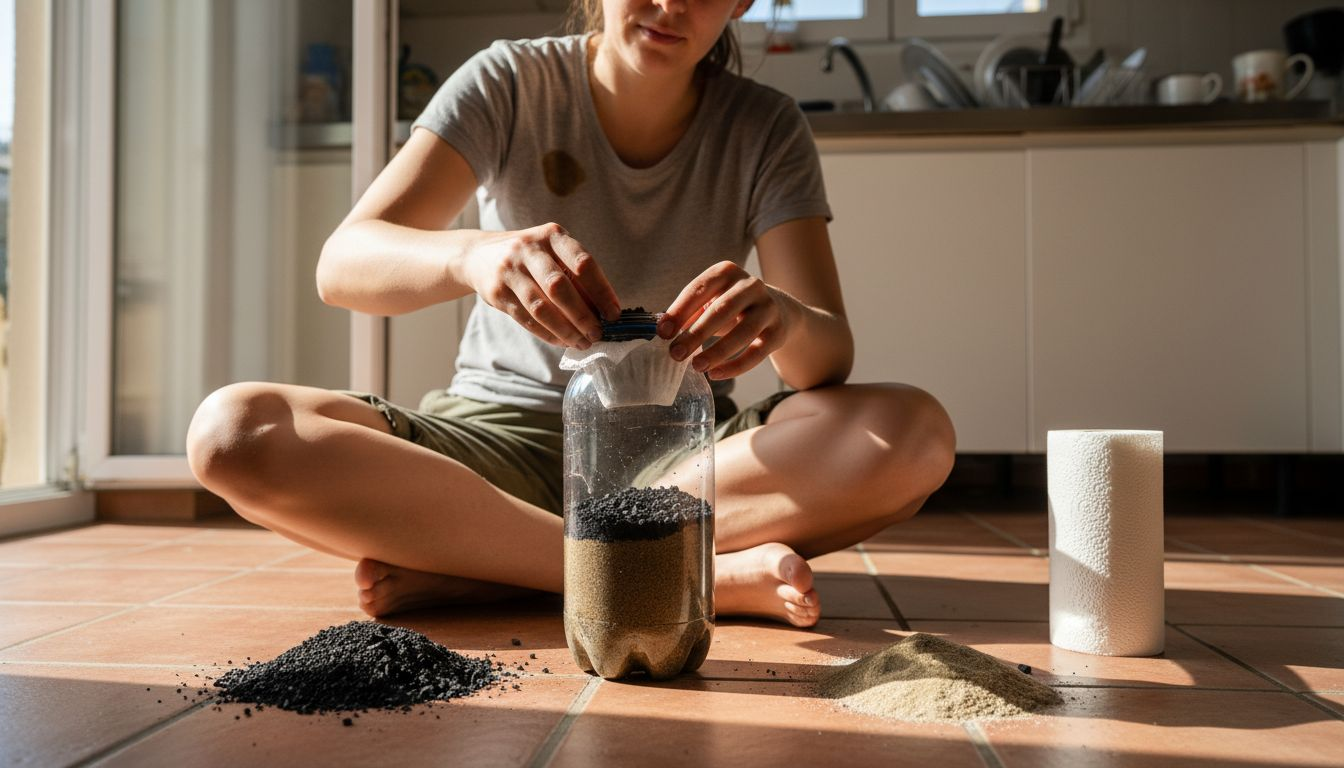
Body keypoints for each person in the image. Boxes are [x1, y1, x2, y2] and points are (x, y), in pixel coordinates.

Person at [186, 0, 955, 628]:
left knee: (914, 437)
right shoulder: (509, 80)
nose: (671, 5)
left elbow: (825, 362)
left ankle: (494, 569)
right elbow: (342, 265)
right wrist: (472, 256)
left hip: (680, 458)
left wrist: (784, 319)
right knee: (234, 434)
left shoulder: (765, 125)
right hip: (492, 448)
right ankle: (684, 574)